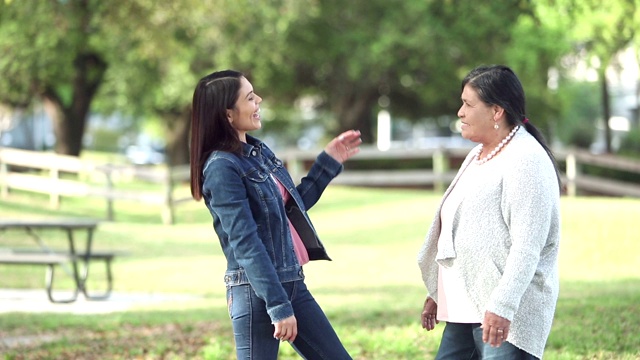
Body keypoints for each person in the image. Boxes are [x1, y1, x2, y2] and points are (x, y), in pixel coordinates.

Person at [189, 69, 359, 360]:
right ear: (228, 114)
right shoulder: (221, 167)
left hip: (291, 282)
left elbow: (290, 208)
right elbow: (245, 242)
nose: (260, 101)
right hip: (256, 292)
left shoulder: (257, 153)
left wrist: (328, 162)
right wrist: (278, 306)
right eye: (251, 98)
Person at [417, 65, 561, 359]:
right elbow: (460, 230)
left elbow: (527, 247)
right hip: (465, 306)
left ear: (496, 111)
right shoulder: (477, 155)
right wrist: (439, 291)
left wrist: (503, 306)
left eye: (469, 104)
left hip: (506, 315)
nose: (460, 112)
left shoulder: (526, 160)